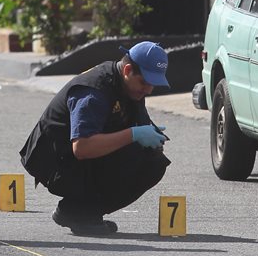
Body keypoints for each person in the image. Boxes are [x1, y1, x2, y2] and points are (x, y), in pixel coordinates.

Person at [19, 41, 171, 236]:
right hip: (57, 163)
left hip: (81, 159)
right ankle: (78, 212)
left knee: (152, 160)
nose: (148, 90)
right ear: (127, 70)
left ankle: (82, 212)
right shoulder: (94, 91)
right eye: (144, 82)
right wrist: (134, 134)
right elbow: (82, 148)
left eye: (153, 84)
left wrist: (152, 135)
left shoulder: (130, 88)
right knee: (134, 153)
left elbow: (137, 123)